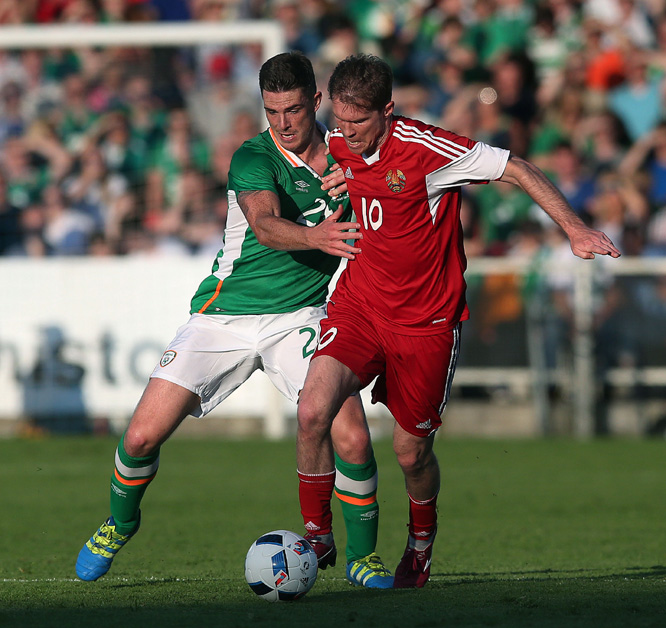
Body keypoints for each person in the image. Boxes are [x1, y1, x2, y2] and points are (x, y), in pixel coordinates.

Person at [296, 54, 621, 589]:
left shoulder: (428, 149)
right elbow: (323, 158)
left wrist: (575, 228)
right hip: (360, 305)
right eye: (340, 119)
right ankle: (315, 535)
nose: (346, 133)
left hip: (426, 324)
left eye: (358, 122)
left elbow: (515, 167)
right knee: (312, 410)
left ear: (388, 110)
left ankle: (420, 547)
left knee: (410, 451)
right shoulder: (337, 142)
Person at [75, 52, 393, 589]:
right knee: (140, 437)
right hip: (223, 316)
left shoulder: (351, 157)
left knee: (354, 438)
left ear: (316, 102)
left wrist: (360, 188)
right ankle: (119, 522)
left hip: (300, 316)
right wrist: (318, 235)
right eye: (272, 111)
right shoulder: (253, 156)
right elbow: (266, 225)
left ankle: (361, 555)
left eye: (293, 110)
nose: (284, 123)